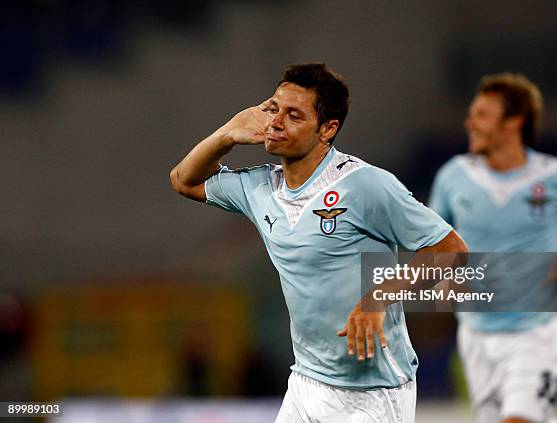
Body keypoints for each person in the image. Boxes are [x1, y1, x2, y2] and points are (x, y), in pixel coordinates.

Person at [170, 63, 467, 422]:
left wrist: (378, 296)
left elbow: (451, 249)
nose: (276, 121)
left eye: (294, 115)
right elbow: (184, 181)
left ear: (327, 129)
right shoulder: (259, 187)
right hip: (306, 382)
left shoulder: (366, 185)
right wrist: (228, 134)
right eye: (273, 109)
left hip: (372, 392)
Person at [429, 73, 557, 423]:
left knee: (520, 418)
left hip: (536, 329)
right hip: (475, 331)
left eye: (481, 115)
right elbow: (435, 240)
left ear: (514, 122)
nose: (470, 122)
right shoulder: (454, 176)